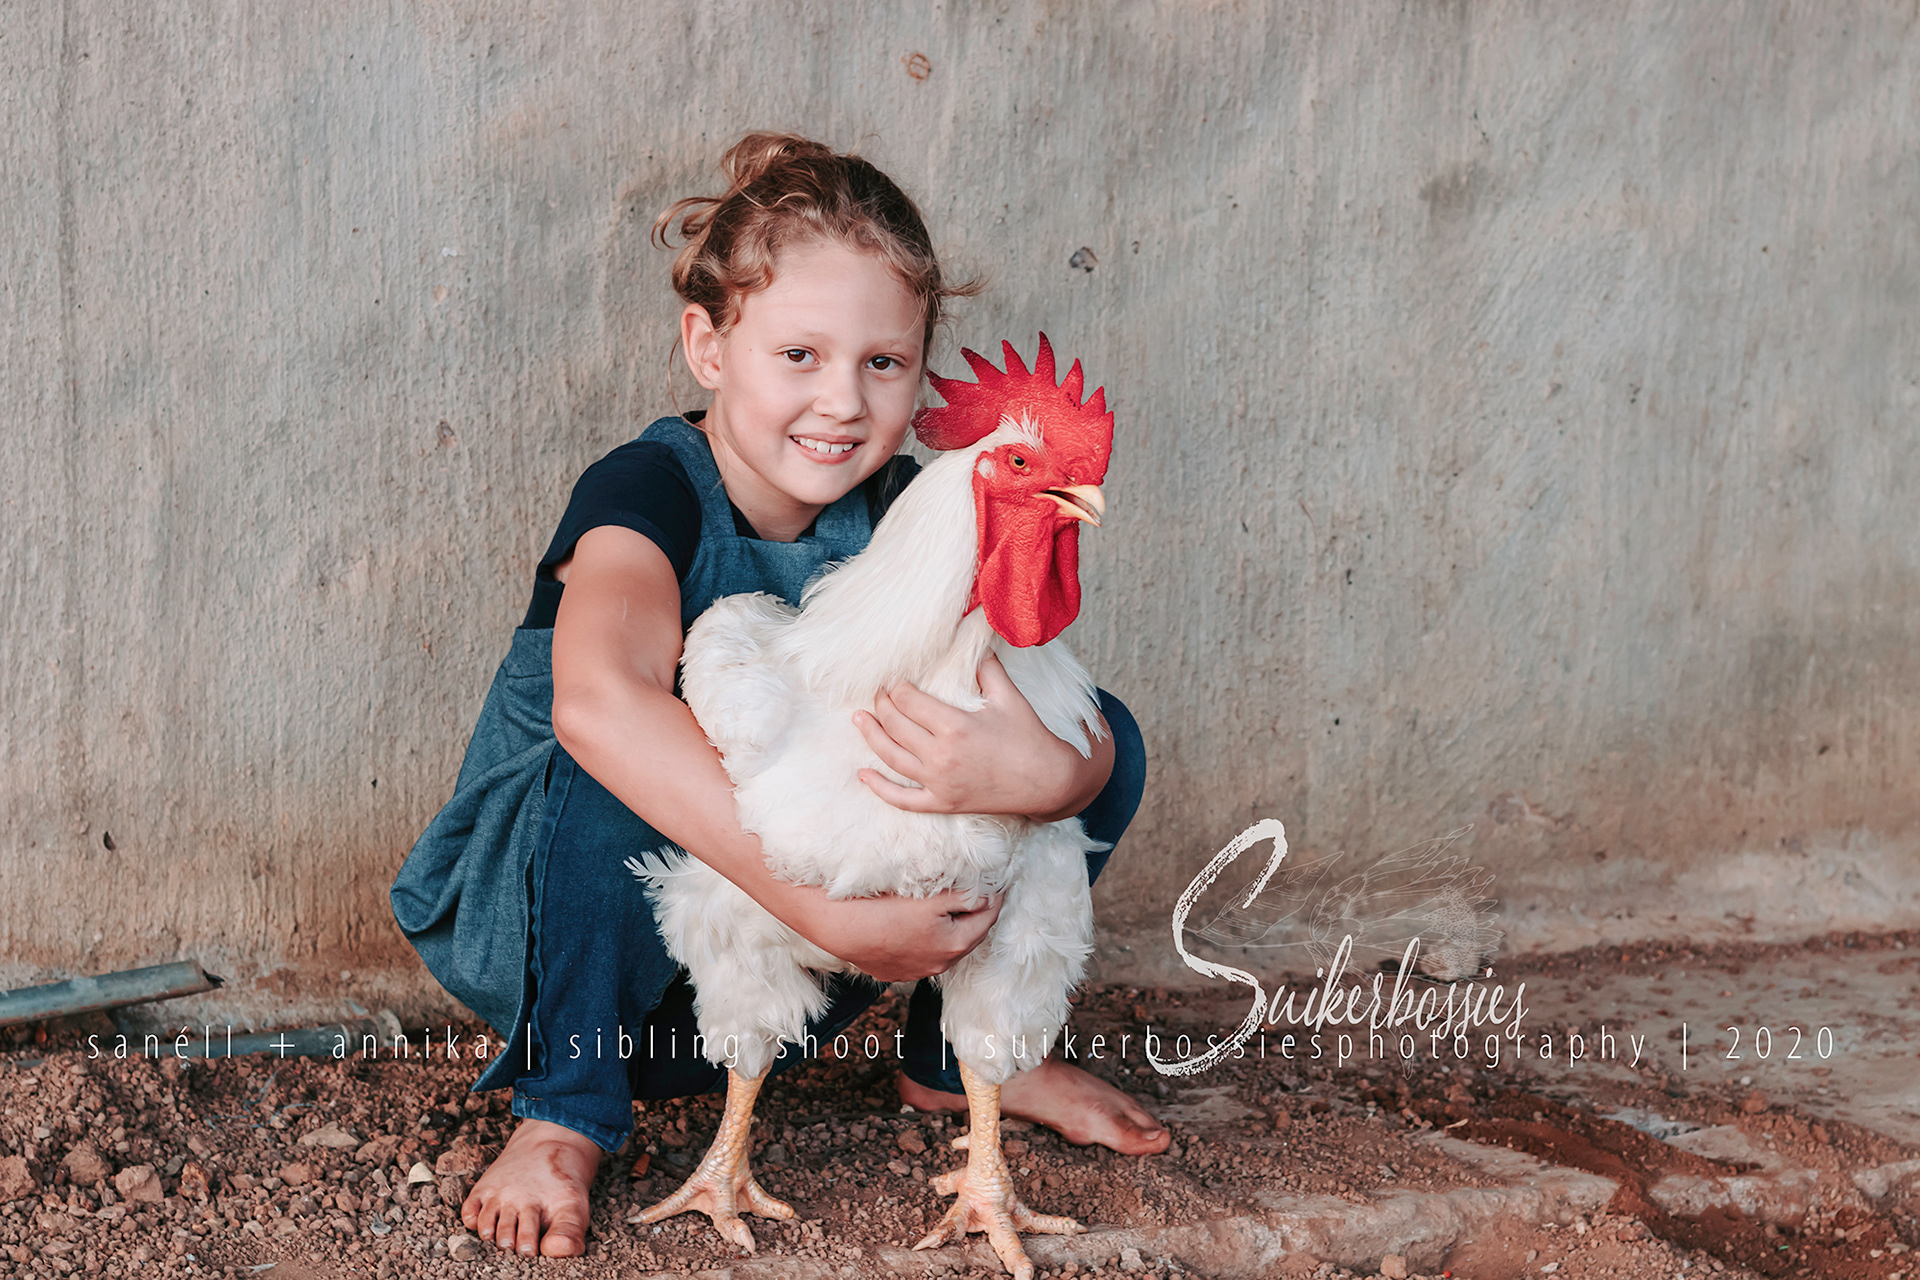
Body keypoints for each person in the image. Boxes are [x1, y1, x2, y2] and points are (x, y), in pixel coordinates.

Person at [389, 132, 1166, 1261]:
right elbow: (598, 704)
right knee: (609, 778)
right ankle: (565, 1108)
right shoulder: (648, 490)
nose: (841, 402)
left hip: (789, 953)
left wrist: (1051, 774)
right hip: (569, 942)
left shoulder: (913, 511)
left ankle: (964, 1062)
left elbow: (1050, 731)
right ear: (707, 345)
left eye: (883, 364)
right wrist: (823, 909)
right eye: (799, 353)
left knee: (1098, 736)